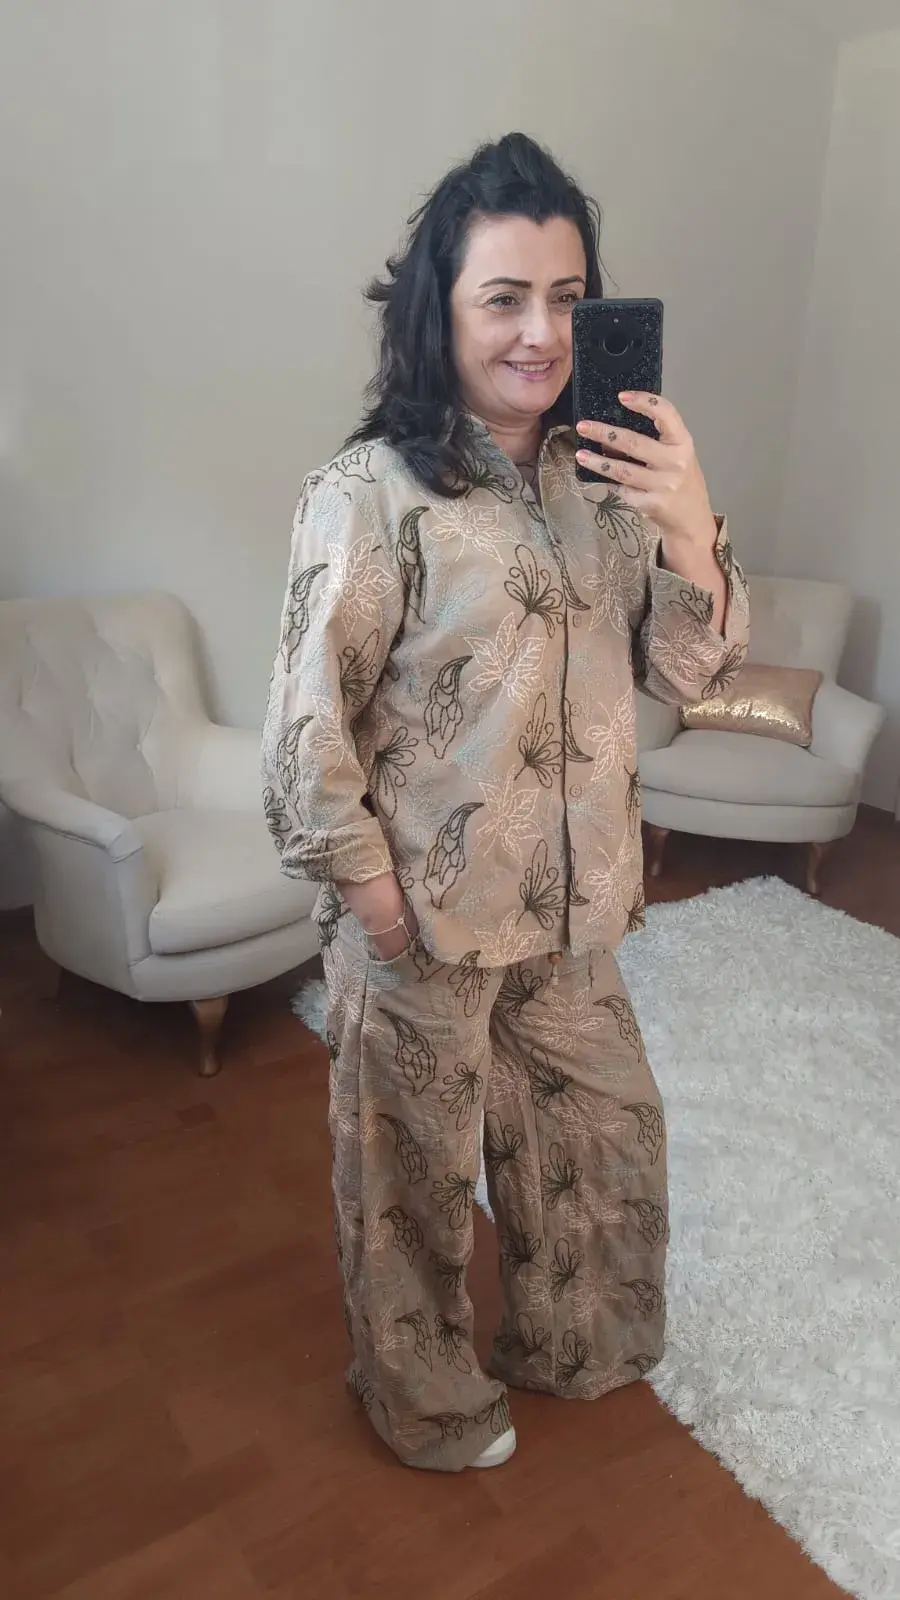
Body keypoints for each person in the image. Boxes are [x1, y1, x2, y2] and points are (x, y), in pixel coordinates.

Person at [262, 132, 749, 1473]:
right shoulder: (369, 494)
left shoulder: (612, 484)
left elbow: (692, 673)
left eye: (568, 297)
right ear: (443, 309)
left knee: (604, 1140)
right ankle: (424, 1401)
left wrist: (693, 523)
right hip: (420, 921)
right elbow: (305, 732)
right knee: (409, 1189)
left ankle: (574, 1342)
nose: (543, 331)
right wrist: (379, 909)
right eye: (506, 297)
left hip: (574, 916)